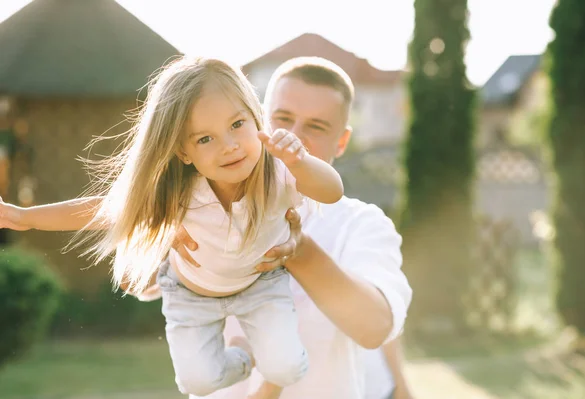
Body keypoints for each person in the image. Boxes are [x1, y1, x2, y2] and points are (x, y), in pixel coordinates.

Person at [0, 56, 346, 398]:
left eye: (237, 124)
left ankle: (274, 355)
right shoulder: (180, 192)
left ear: (257, 118)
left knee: (287, 368)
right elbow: (100, 211)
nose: (229, 146)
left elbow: (332, 191)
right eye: (204, 139)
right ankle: (243, 354)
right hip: (192, 296)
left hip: (260, 289)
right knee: (197, 383)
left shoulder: (279, 173)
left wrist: (301, 161)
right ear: (183, 153)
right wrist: (23, 217)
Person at [171, 57, 414, 399]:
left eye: (316, 127)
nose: (292, 137)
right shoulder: (202, 199)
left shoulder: (361, 225)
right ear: (256, 119)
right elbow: (151, 284)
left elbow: (375, 329)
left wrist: (298, 251)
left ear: (341, 143)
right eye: (282, 119)